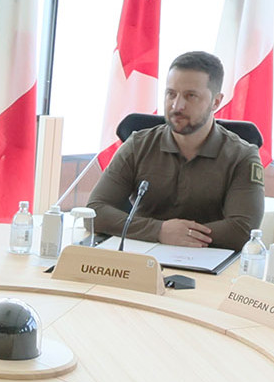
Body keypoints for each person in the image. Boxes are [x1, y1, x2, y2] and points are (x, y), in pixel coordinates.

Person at [86, 51, 264, 250]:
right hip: (139, 256)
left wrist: (184, 236)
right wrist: (159, 231)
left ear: (216, 101)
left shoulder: (242, 155)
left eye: (191, 96)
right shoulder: (138, 144)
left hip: (206, 263)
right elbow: (94, 212)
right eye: (171, 94)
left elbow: (243, 229)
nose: (176, 105)